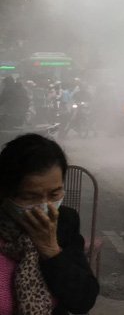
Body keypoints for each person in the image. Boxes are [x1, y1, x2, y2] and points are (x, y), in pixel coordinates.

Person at [0, 133, 99, 314]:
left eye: (54, 194)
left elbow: (83, 299)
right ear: (4, 192)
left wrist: (50, 250)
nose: (44, 207)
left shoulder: (65, 221)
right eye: (29, 197)